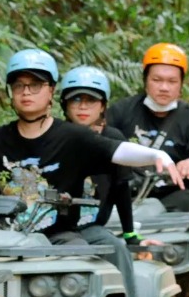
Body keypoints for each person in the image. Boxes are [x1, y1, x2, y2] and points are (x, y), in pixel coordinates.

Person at [0, 48, 183, 297]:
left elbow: (117, 151)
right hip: (4, 239)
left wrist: (155, 155)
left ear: (51, 91)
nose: (27, 92)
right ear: (10, 92)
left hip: (58, 237)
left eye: (36, 85)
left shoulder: (73, 137)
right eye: (19, 85)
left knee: (99, 261)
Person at [107, 44, 189, 213]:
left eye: (172, 81)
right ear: (145, 81)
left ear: (181, 84)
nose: (164, 87)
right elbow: (102, 146)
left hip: (175, 193)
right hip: (128, 192)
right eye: (157, 80)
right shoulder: (121, 111)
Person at [57, 65, 136, 239]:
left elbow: (121, 188)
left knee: (115, 247)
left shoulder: (113, 138)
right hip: (56, 228)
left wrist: (129, 231)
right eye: (76, 99)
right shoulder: (54, 136)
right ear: (65, 104)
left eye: (91, 100)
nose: (83, 106)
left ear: (102, 106)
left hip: (93, 227)